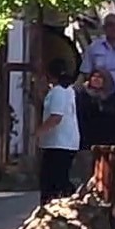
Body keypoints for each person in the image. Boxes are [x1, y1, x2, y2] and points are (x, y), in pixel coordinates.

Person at [35, 58, 80, 202]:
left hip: (59, 142)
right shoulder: (66, 91)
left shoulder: (59, 92)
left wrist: (38, 132)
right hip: (62, 142)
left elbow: (56, 117)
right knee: (56, 177)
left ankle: (66, 202)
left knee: (53, 180)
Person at [79, 13, 115, 88]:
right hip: (100, 91)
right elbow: (86, 72)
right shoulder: (94, 47)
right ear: (104, 28)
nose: (114, 28)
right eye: (110, 25)